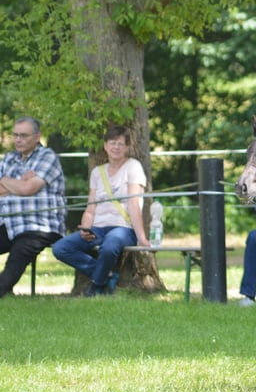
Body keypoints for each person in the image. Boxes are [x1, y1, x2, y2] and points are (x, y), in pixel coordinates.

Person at [52, 125, 149, 296]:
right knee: (61, 248)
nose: (116, 147)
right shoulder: (98, 172)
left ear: (127, 147)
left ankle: (96, 284)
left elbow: (134, 203)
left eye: (120, 144)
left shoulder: (133, 167)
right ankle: (107, 276)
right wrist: (85, 229)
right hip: (97, 227)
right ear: (105, 146)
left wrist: (141, 238)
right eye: (112, 143)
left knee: (110, 245)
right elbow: (91, 208)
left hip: (123, 228)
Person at [0, 117, 66, 298]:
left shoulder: (48, 157)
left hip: (39, 225)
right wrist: (19, 183)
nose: (18, 139)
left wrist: (6, 181)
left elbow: (29, 189)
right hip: (8, 223)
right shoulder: (10, 158)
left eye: (23, 135)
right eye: (15, 135)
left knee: (19, 255)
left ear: (37, 137)